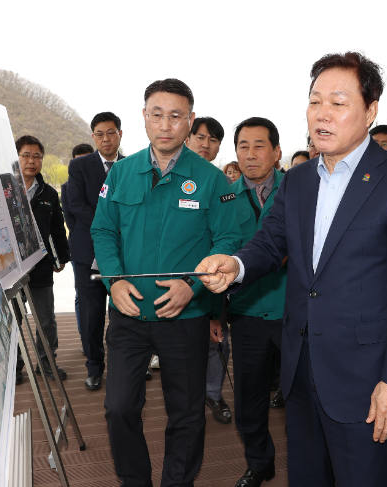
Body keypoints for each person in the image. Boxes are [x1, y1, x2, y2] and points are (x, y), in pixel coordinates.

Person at [196, 52, 387, 487]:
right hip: (300, 369)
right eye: (315, 101)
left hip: (366, 377)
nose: (322, 114)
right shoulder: (299, 179)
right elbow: (270, 243)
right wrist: (234, 265)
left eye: (338, 102)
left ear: (370, 110)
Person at [91, 78, 240, 487]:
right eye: (157, 114)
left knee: (187, 414)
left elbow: (228, 239)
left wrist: (193, 284)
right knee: (119, 407)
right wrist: (113, 282)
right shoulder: (121, 174)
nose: (165, 124)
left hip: (185, 315)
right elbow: (102, 231)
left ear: (189, 122)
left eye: (176, 116)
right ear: (144, 117)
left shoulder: (211, 180)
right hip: (128, 312)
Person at [217, 117, 288, 487]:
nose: (250, 154)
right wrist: (216, 314)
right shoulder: (224, 197)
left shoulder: (299, 191)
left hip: (295, 313)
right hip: (246, 314)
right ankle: (260, 463)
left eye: (260, 145)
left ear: (277, 152)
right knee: (248, 400)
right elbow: (215, 254)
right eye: (243, 146)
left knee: (303, 394)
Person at [67, 112, 126, 390]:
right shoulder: (79, 166)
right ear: (93, 137)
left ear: (120, 135)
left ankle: (124, 364)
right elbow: (76, 205)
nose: (106, 138)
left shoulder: (133, 166)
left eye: (111, 132)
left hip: (123, 253)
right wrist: (109, 223)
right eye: (100, 134)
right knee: (91, 315)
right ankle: (94, 367)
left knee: (124, 312)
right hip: (87, 252)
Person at [186, 116, 233, 424]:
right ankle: (188, 400)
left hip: (210, 285)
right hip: (169, 285)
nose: (205, 144)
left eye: (213, 140)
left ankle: (213, 394)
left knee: (218, 343)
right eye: (200, 137)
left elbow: (226, 242)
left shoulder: (221, 184)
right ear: (188, 138)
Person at [15, 135, 70, 382]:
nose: (31, 161)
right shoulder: (2, 188)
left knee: (46, 320)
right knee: (12, 321)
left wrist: (62, 258)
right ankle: (14, 366)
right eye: (26, 155)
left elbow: (58, 227)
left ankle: (46, 363)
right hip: (9, 270)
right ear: (16, 157)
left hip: (40, 267)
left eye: (37, 156)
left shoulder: (48, 192)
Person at [62, 143, 94, 352]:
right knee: (81, 296)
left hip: (108, 246)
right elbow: (69, 218)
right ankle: (86, 340)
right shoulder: (66, 187)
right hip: (81, 247)